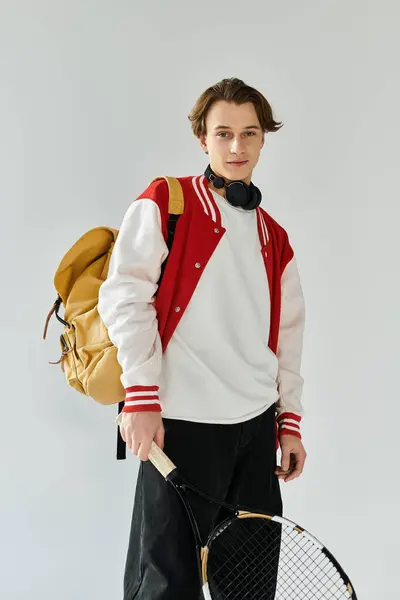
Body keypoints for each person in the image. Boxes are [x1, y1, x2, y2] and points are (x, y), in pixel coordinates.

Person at [98, 77, 307, 599]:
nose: (237, 147)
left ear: (263, 140)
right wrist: (141, 395)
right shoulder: (167, 202)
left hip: (255, 429)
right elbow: (124, 297)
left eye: (249, 134)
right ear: (202, 139)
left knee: (251, 588)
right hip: (180, 426)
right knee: (165, 586)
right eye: (223, 134)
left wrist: (289, 420)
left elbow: (287, 334)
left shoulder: (273, 237)